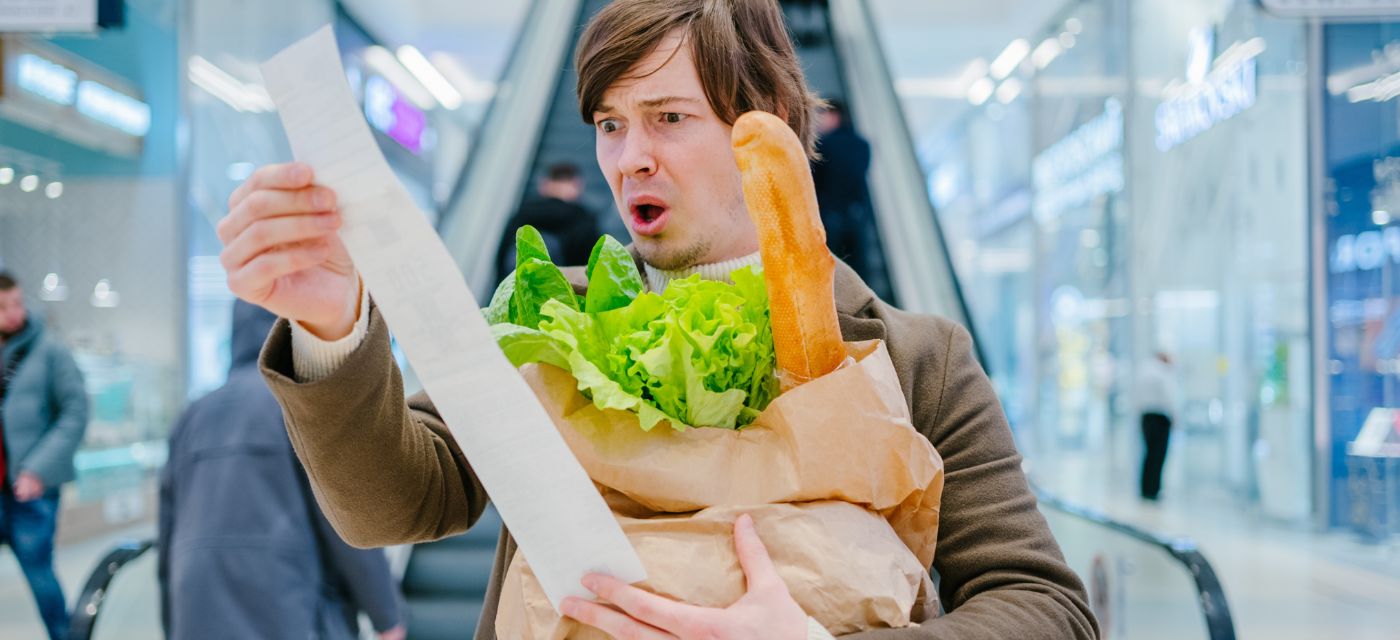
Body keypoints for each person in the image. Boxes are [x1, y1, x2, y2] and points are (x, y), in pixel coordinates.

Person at [215, 1, 1098, 638]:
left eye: (669, 119)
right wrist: (333, 326)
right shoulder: (550, 320)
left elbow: (1048, 608)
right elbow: (399, 503)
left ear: (774, 124)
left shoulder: (915, 356)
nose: (630, 159)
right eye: (609, 124)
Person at [157, 301, 405, 640]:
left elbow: (168, 536)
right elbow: (346, 519)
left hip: (199, 609)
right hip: (288, 607)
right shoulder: (303, 404)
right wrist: (386, 615)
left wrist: (173, 622)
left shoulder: (193, 416)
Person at [0, 270, 88, 640]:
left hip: (28, 489)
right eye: (3, 306)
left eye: (17, 303)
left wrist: (37, 469)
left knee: (40, 576)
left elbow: (76, 411)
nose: (13, 313)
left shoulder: (49, 350)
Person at [496, 162, 600, 285]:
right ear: (577, 185)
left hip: (519, 290)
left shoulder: (523, 213)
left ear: (544, 184)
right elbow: (592, 266)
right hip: (562, 296)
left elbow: (501, 258)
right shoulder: (583, 219)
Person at [811, 99, 873, 281]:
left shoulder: (824, 145)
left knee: (834, 271)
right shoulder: (862, 145)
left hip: (830, 217)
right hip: (857, 214)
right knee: (860, 271)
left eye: (823, 115)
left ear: (835, 116)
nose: (819, 121)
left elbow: (817, 182)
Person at [1137, 351, 1177, 502]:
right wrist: (1173, 416)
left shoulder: (1143, 371)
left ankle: (1145, 489)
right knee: (1158, 455)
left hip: (1145, 416)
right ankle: (1154, 490)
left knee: (1148, 455)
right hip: (1160, 417)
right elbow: (1168, 397)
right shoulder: (1162, 372)